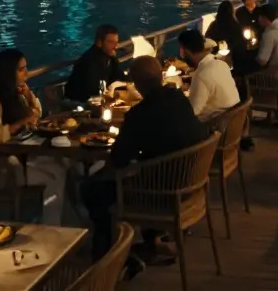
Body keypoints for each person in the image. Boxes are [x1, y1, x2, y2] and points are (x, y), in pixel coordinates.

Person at [81, 57, 206, 270]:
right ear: (160, 77)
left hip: (160, 193)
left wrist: (97, 176)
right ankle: (151, 242)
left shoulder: (139, 114)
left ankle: (107, 256)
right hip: (191, 183)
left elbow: (118, 161)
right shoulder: (179, 99)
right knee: (139, 172)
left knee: (92, 189)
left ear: (137, 85)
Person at [0, 49, 69, 224]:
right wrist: (18, 124)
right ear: (8, 72)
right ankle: (52, 226)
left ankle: (56, 222)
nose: (27, 73)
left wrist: (28, 96)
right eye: (22, 69)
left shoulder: (14, 93)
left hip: (23, 154)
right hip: (3, 167)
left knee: (62, 166)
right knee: (56, 175)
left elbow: (36, 115)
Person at [179, 29, 241, 119]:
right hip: (233, 120)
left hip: (217, 126)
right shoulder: (222, 64)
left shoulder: (201, 75)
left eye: (181, 50)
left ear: (186, 51)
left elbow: (192, 111)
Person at [65, 24, 125, 102]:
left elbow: (119, 76)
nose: (115, 46)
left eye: (116, 42)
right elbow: (93, 91)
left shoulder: (109, 55)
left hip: (98, 99)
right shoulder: (89, 61)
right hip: (80, 104)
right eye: (111, 42)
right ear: (99, 42)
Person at [207, 0, 256, 76]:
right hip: (236, 62)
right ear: (232, 12)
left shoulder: (213, 26)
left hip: (215, 59)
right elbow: (240, 44)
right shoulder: (236, 26)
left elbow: (207, 40)